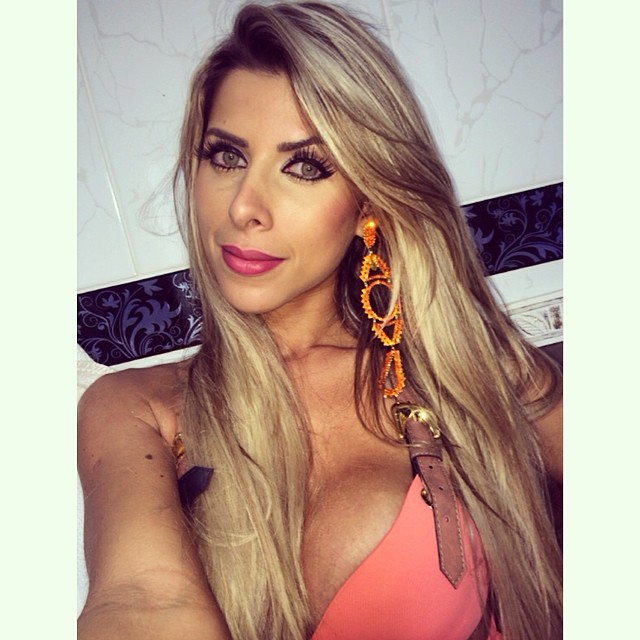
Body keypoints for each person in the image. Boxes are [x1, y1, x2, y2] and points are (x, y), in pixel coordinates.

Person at [77, 2, 563, 639]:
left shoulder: (466, 369)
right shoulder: (134, 407)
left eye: (304, 166)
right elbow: (143, 596)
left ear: (369, 200)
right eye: (226, 156)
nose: (245, 207)